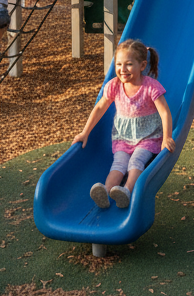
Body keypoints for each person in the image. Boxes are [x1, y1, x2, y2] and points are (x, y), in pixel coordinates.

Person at [73, 38, 176, 210]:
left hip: (147, 137)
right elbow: (99, 107)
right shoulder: (114, 85)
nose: (122, 69)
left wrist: (166, 138)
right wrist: (85, 132)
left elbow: (165, 111)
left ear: (142, 66)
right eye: (119, 64)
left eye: (128, 64)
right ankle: (105, 192)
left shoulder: (151, 87)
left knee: (136, 161)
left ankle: (126, 191)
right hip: (123, 137)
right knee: (119, 164)